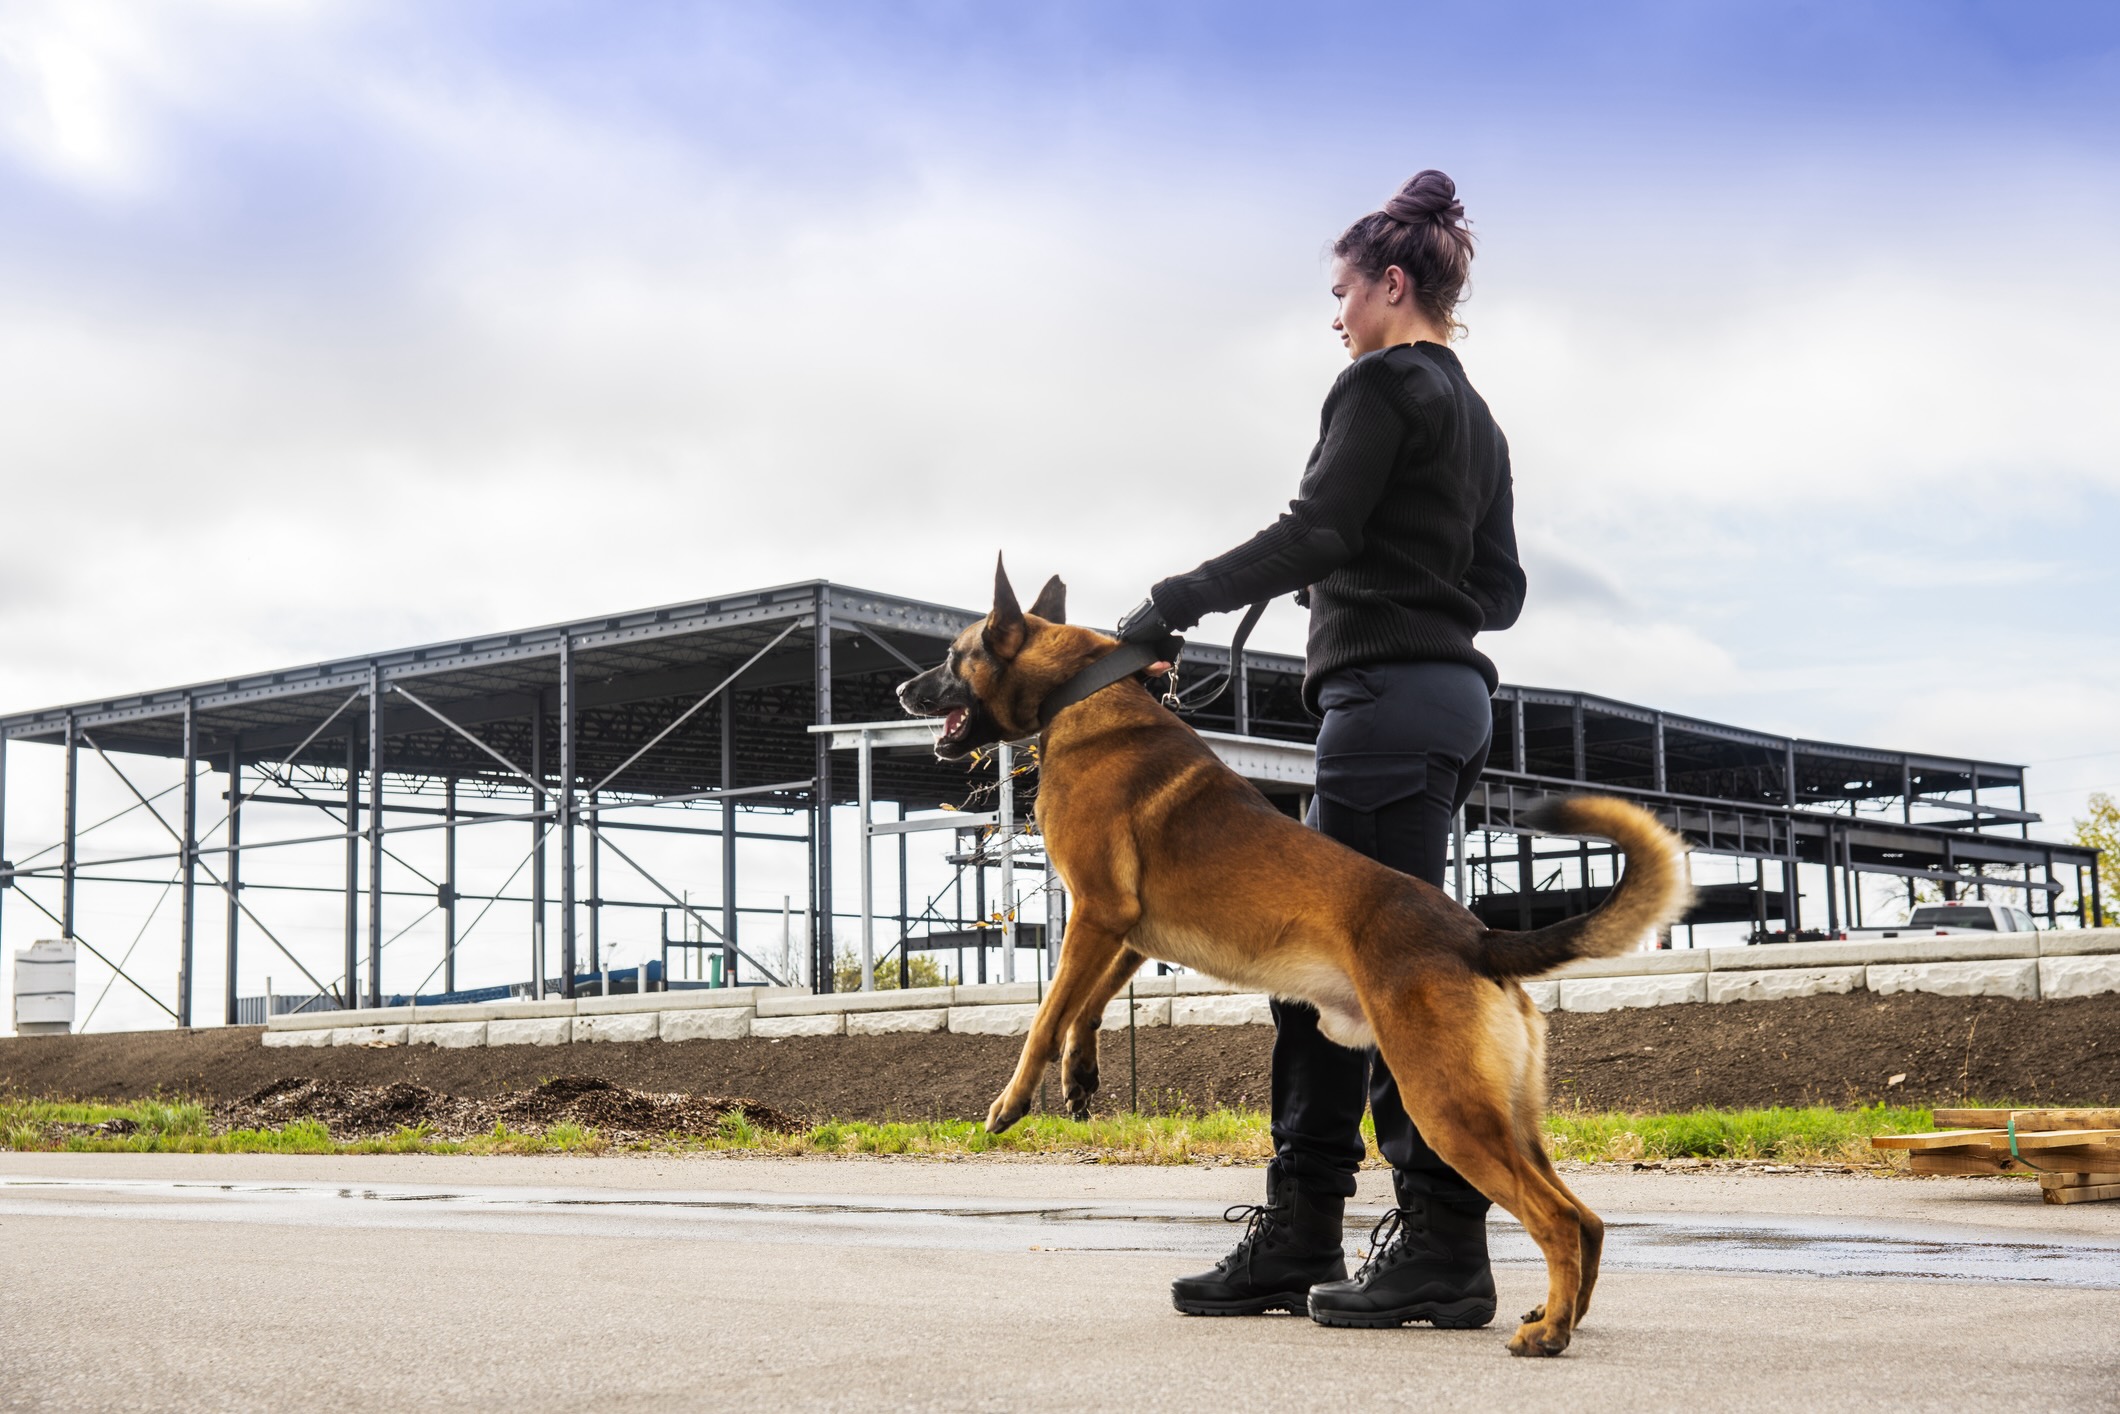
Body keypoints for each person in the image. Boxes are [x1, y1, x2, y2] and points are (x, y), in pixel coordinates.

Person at [1115, 170, 1526, 1330]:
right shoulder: (1475, 416)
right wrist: (1402, 580)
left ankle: (1427, 1245)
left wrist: (1171, 602)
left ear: (1391, 286)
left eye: (1342, 292)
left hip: (1387, 708)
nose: (1334, 316)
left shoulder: (1380, 382)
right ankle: (1314, 1232)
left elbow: (1318, 528)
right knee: (1341, 975)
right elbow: (1498, 589)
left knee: (1370, 978)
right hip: (1447, 704)